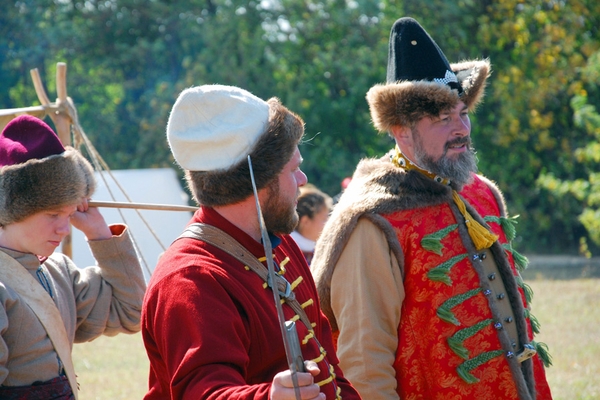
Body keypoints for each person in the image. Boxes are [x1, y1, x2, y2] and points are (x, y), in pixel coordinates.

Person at [312, 17, 553, 400]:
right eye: (443, 118)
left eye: (463, 113)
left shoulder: (481, 193)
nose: (462, 129)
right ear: (401, 131)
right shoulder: (372, 222)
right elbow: (364, 364)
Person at [141, 85, 360, 400]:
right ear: (257, 179)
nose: (303, 181)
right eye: (294, 169)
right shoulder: (191, 278)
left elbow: (327, 366)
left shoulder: (278, 242)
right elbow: (203, 392)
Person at [0, 115, 146, 398]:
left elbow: (132, 312)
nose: (65, 228)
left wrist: (99, 232)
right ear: (13, 209)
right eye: (53, 214)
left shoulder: (59, 272)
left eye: (69, 214)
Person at [290, 184, 333, 265]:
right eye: (324, 219)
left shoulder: (317, 252)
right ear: (305, 221)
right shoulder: (287, 252)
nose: (328, 223)